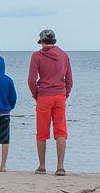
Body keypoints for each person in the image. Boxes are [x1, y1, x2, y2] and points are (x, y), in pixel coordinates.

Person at [27, 29, 73, 176]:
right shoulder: (64, 55)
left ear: (42, 42)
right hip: (59, 95)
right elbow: (69, 80)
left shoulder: (37, 56)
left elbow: (31, 80)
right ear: (54, 41)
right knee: (61, 131)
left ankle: (42, 166)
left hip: (44, 96)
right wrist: (65, 94)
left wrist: (36, 95)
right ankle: (60, 166)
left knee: (42, 132)